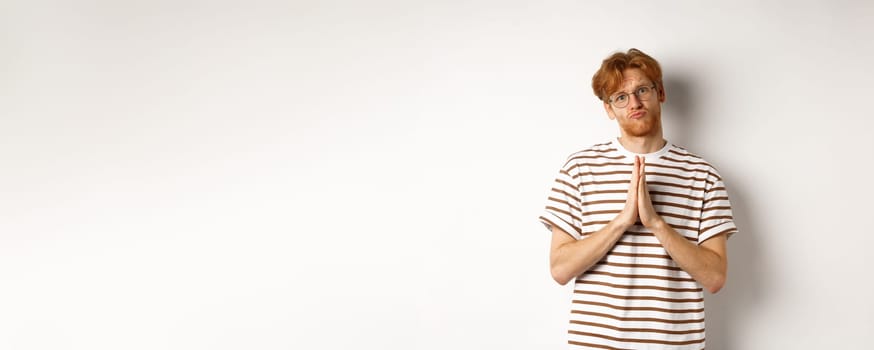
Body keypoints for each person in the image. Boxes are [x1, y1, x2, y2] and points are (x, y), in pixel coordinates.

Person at [538, 48, 737, 349]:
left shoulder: (703, 174)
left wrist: (655, 223)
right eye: (620, 97)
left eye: (642, 90)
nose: (634, 103)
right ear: (609, 109)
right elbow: (560, 269)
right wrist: (621, 221)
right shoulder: (579, 168)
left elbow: (714, 277)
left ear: (660, 93)